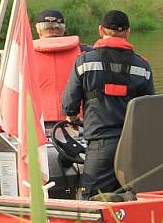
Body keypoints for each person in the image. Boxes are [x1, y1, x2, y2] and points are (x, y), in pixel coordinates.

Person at [61, 10, 154, 199]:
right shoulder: (142, 67)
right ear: (128, 32)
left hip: (100, 146)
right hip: (133, 147)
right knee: (136, 198)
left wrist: (72, 118)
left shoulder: (84, 62)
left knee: (90, 200)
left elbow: (69, 102)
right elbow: (149, 107)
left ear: (101, 30)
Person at [32, 9, 90, 124]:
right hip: (77, 122)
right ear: (63, 29)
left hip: (36, 124)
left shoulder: (23, 54)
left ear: (38, 29)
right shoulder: (86, 53)